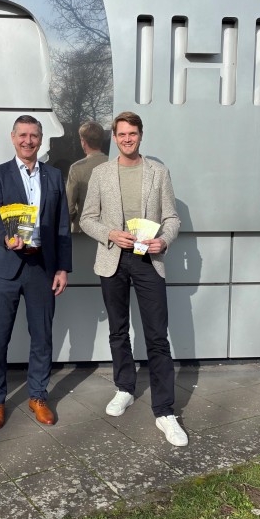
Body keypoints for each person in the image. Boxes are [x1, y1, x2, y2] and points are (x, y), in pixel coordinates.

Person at [80, 111, 187, 446]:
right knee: (118, 330)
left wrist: (164, 241)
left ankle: (165, 411)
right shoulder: (100, 173)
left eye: (132, 134)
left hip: (148, 260)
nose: (127, 139)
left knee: (157, 336)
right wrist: (110, 233)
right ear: (114, 138)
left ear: (141, 135)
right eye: (122, 134)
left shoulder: (159, 172)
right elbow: (87, 219)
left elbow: (172, 217)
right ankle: (125, 388)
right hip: (113, 258)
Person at [0, 115, 72, 429]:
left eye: (34, 135)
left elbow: (62, 225)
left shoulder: (54, 176)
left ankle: (38, 396)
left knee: (42, 337)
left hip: (42, 268)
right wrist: (6, 236)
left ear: (40, 139)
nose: (28, 141)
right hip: (5, 266)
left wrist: (63, 267)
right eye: (22, 135)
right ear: (13, 137)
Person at [66, 121, 108, 233]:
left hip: (82, 230)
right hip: (109, 231)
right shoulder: (113, 164)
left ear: (83, 142)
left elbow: (69, 206)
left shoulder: (77, 168)